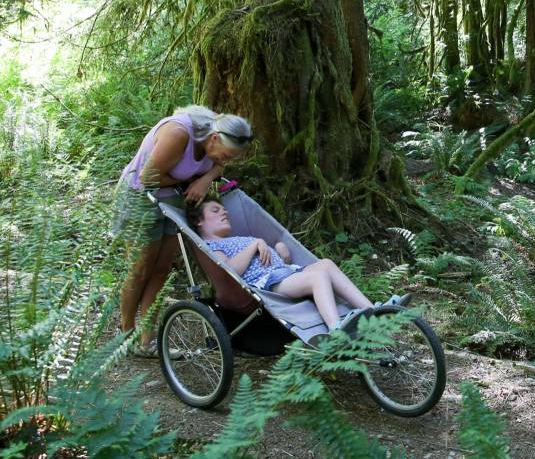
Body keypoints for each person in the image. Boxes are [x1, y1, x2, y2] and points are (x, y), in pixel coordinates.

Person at [116, 105, 253, 356]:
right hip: (140, 197)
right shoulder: (179, 133)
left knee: (160, 270)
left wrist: (205, 178)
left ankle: (147, 342)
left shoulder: (219, 129)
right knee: (140, 269)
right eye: (226, 155)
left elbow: (217, 166)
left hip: (173, 199)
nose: (225, 161)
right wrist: (191, 181)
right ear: (213, 139)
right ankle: (125, 335)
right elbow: (147, 177)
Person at [187, 198, 407, 331]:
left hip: (285, 272)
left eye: (224, 210)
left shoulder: (237, 239)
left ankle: (373, 310)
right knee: (317, 277)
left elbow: (269, 261)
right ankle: (335, 329)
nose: (224, 212)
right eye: (215, 210)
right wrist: (256, 244)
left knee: (326, 264)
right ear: (199, 221)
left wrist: (280, 251)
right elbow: (230, 271)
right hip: (269, 285)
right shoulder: (210, 246)